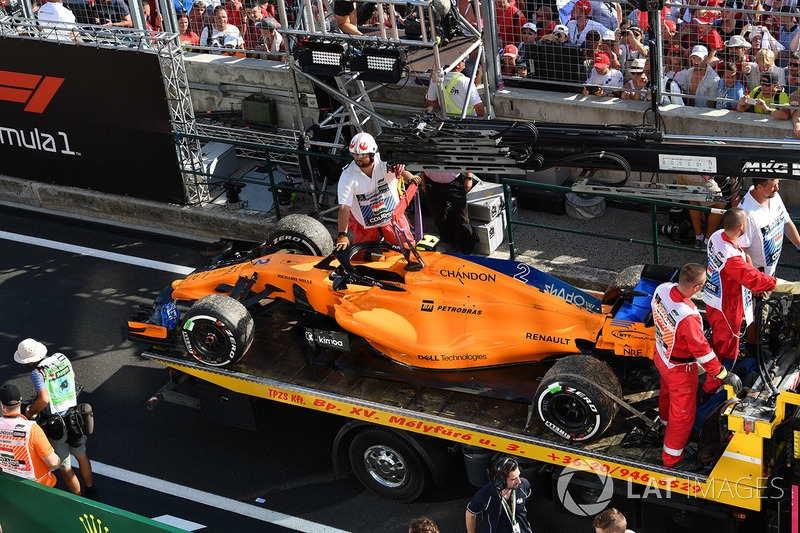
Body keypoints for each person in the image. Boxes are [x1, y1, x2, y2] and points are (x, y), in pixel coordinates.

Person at [652, 263, 742, 471]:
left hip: (661, 355)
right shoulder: (688, 316)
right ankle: (672, 459)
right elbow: (703, 352)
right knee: (682, 416)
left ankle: (665, 427)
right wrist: (723, 374)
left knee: (666, 395)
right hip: (679, 370)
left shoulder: (662, 289)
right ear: (696, 287)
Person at [703, 208, 783, 394]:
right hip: (727, 308)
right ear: (741, 227)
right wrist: (782, 285)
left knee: (719, 343)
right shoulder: (733, 259)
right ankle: (713, 389)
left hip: (714, 299)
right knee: (726, 350)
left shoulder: (717, 236)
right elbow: (753, 278)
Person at [14, 339, 97, 498]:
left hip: (57, 424)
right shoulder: (61, 357)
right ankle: (91, 489)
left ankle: (78, 498)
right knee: (81, 454)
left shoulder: (38, 372)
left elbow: (44, 399)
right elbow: (71, 376)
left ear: (30, 360)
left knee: (65, 465)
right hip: (74, 416)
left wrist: (31, 412)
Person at [335, 132, 420, 251]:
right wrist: (342, 235)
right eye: (354, 154)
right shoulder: (347, 175)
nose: (358, 158)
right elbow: (344, 207)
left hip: (393, 223)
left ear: (372, 153)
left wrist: (411, 178)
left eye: (363, 154)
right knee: (360, 258)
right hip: (365, 228)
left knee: (408, 251)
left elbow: (401, 171)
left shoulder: (386, 162)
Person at [0, 383, 60, 487]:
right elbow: (53, 462)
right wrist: (59, 461)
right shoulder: (32, 429)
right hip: (41, 485)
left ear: (2, 405)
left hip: (10, 484)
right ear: (21, 399)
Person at [465, 456, 532, 533]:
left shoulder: (523, 485)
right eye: (513, 479)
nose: (519, 481)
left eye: (519, 475)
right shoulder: (485, 495)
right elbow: (470, 514)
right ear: (501, 481)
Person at [421, 170, 477, 253]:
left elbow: (464, 158)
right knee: (438, 216)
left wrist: (469, 177)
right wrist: (423, 181)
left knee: (462, 218)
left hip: (454, 183)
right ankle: (448, 243)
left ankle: (467, 250)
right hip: (432, 183)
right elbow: (421, 161)